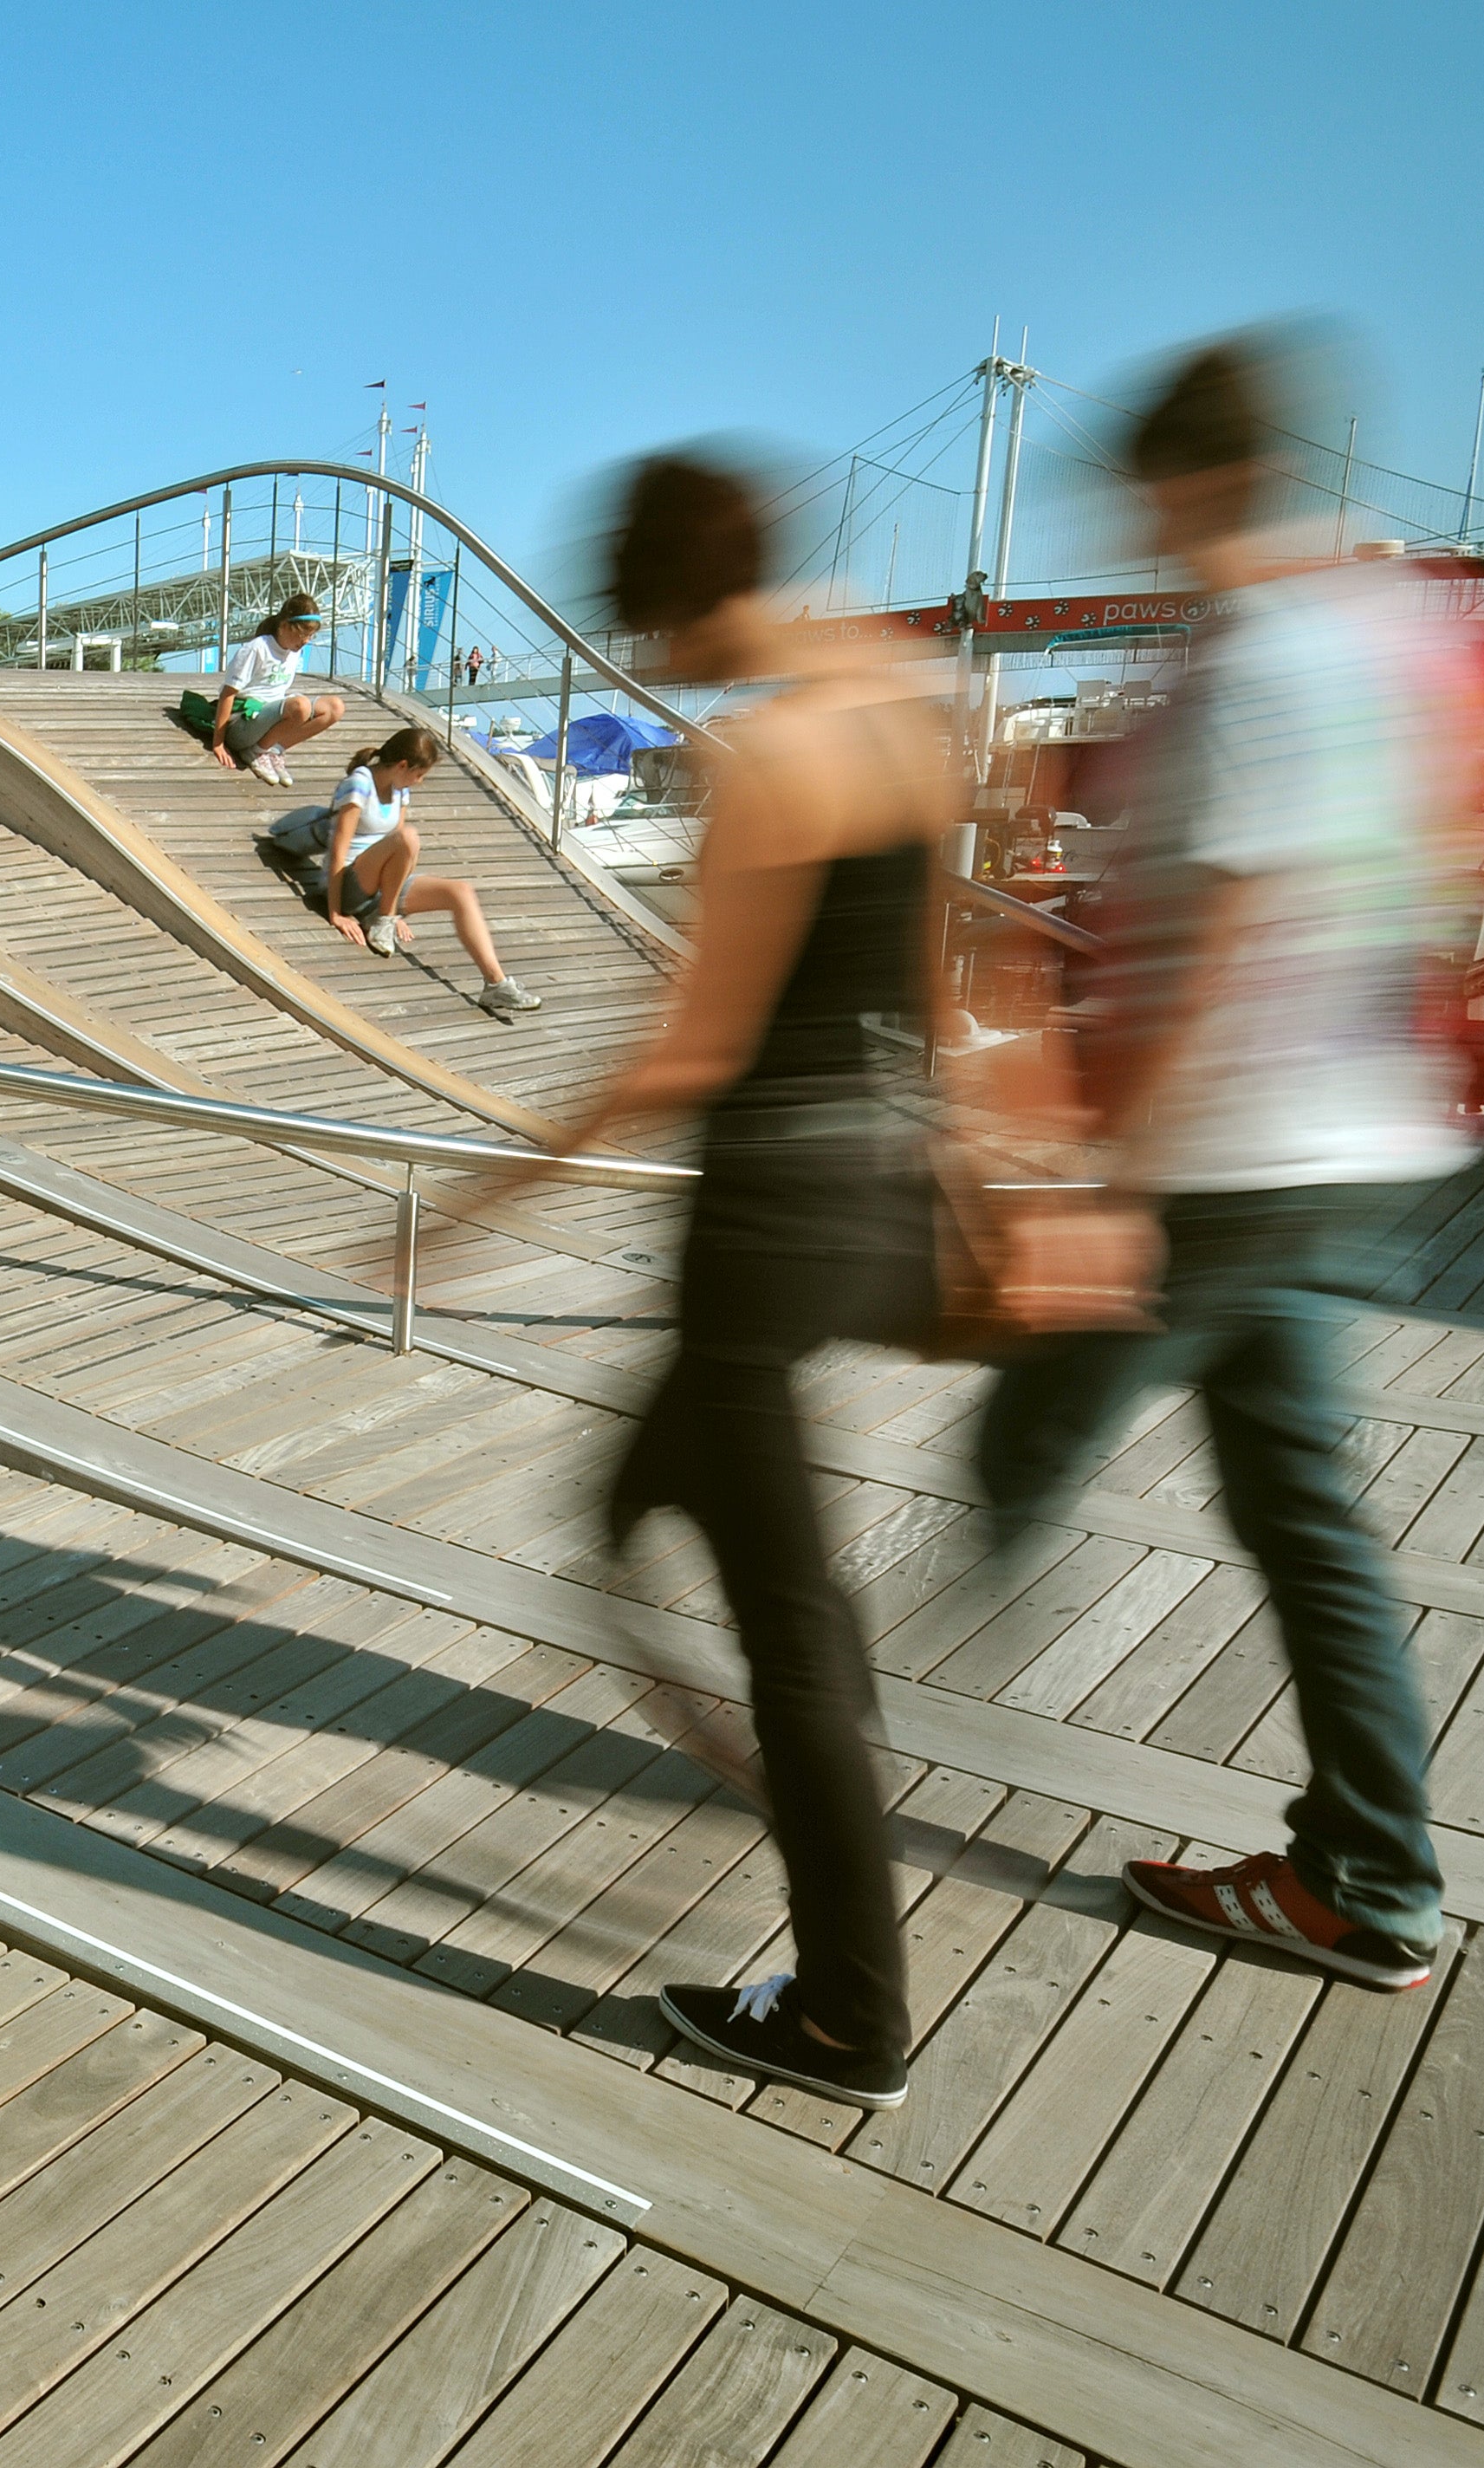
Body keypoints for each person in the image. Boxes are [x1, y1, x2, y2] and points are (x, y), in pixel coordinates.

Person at [975, 337, 1477, 1994]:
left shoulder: (1261, 655)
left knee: (1025, 1428)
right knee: (1300, 1510)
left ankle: (855, 1690)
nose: (1124, 519)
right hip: (1337, 1130)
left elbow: (1230, 926)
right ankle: (1364, 1875)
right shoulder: (1366, 632)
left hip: (1242, 1153)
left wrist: (1110, 1175)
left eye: (1132, 486)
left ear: (1186, 481)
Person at [510, 452, 958, 2110]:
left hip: (753, 1230)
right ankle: (800, 1813)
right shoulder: (906, 694)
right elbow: (922, 982)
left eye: (641, 623)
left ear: (673, 591)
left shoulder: (766, 754)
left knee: (717, 1582)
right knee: (712, 1555)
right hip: (856, 1193)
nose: (648, 656)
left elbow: (693, 1046)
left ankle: (847, 2002)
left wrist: (481, 1190)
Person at [262, 726, 541, 1013]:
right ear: (402, 765)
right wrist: (336, 913)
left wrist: (392, 905)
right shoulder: (359, 785)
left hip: (380, 889)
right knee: (409, 836)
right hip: (348, 884)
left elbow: (398, 852)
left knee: (461, 892)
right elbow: (338, 851)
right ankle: (383, 919)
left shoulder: (400, 791)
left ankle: (496, 984)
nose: (419, 782)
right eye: (419, 775)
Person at [208, 596, 344, 783]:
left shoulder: (292, 652)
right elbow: (227, 695)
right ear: (284, 626)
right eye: (302, 634)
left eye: (310, 635)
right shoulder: (257, 649)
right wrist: (219, 743)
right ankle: (256, 752)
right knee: (300, 706)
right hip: (242, 724)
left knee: (335, 707)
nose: (306, 641)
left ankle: (274, 750)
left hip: (268, 720)